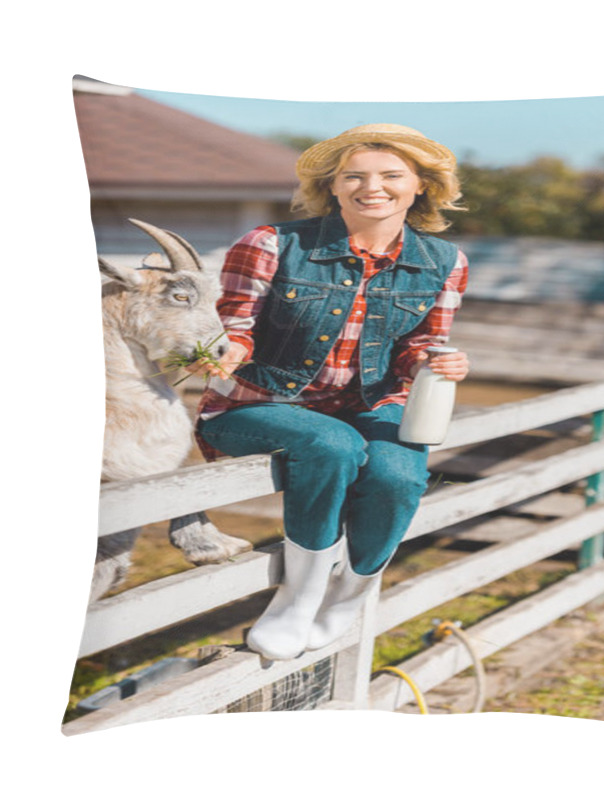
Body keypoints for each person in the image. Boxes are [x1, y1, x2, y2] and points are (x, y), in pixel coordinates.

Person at [191, 123, 470, 661]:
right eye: (354, 177)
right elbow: (234, 326)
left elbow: (420, 346)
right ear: (334, 187)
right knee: (330, 444)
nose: (374, 187)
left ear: (420, 187)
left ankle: (348, 597)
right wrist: (225, 349)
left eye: (392, 176)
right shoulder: (271, 243)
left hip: (369, 403)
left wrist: (442, 361)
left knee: (398, 476)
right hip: (258, 402)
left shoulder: (445, 262)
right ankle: (299, 599)